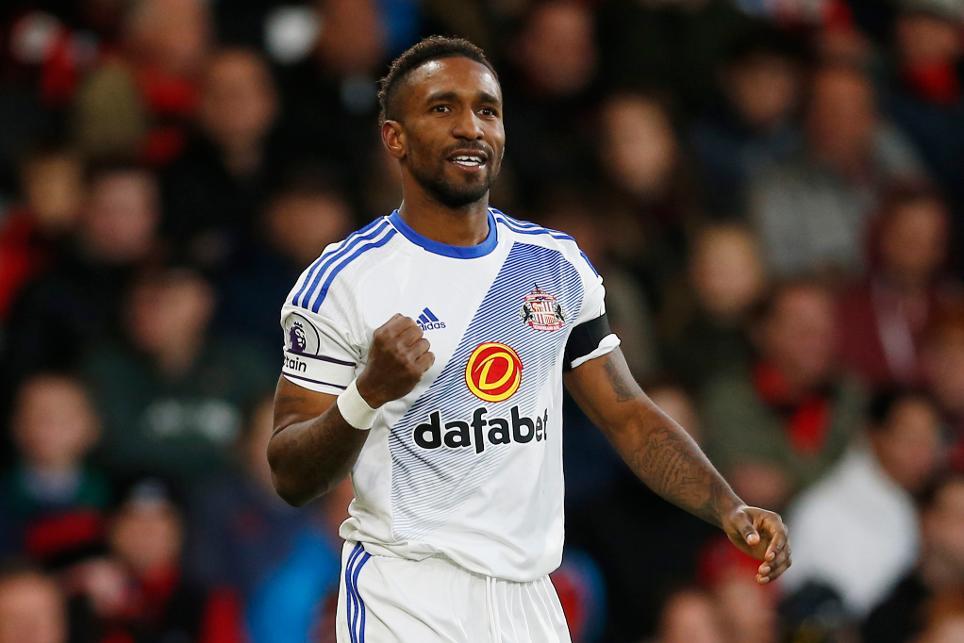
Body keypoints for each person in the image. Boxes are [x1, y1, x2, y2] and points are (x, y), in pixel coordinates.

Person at [267, 36, 790, 642]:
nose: (470, 127)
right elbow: (290, 474)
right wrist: (368, 393)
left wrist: (727, 506)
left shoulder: (555, 265)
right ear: (395, 138)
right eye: (443, 107)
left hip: (531, 600)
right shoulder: (343, 280)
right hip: (408, 595)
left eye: (486, 110)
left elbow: (628, 416)